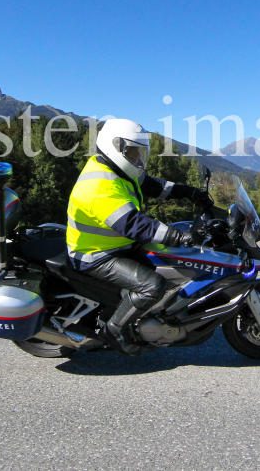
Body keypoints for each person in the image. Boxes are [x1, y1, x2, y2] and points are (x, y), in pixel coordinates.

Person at [66, 118, 212, 355]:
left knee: (166, 265)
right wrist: (180, 237)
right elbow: (134, 225)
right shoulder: (98, 186)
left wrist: (190, 192)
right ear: (116, 148)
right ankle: (113, 331)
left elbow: (155, 186)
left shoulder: (117, 169)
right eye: (133, 151)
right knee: (152, 286)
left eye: (138, 152)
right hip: (95, 255)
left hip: (117, 246)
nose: (137, 158)